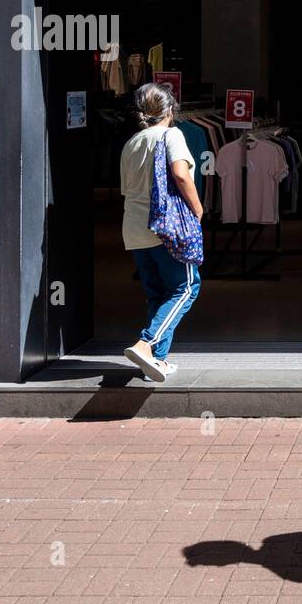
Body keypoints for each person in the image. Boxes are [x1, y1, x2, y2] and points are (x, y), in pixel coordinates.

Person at [120, 82, 204, 381]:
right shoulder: (172, 134)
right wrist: (197, 208)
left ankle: (156, 359)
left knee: (157, 293)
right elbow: (180, 174)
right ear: (170, 109)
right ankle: (146, 345)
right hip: (166, 228)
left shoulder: (132, 142)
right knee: (186, 288)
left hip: (134, 229)